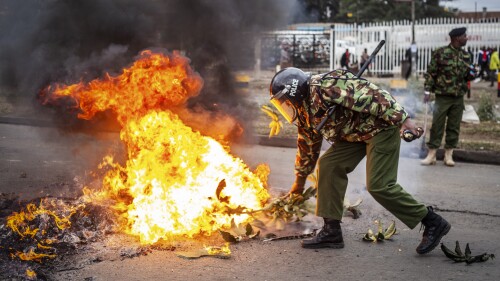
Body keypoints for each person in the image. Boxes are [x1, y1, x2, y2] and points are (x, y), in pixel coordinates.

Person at [269, 67, 451, 254]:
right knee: (329, 165)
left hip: (380, 128)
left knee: (379, 185)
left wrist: (403, 120)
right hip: (354, 136)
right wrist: (298, 184)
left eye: (285, 101)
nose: (286, 107)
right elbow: (307, 147)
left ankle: (432, 221)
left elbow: (374, 95)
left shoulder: (325, 86)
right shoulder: (304, 111)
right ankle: (332, 231)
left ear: (294, 91)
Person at [421, 27, 475, 167]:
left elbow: (468, 76)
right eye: (464, 36)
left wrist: (473, 74)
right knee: (437, 125)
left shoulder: (467, 55)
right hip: (442, 96)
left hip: (458, 96)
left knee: (454, 126)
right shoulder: (440, 53)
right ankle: (432, 154)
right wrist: (427, 91)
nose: (466, 38)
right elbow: (431, 73)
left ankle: (448, 155)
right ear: (457, 38)